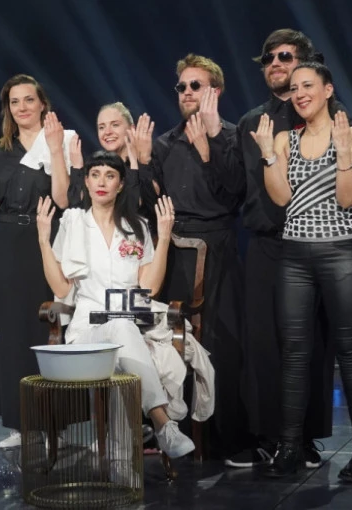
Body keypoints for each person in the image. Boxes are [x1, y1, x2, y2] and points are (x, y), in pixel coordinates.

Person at [234, 28, 352, 469]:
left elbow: (347, 196)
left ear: (327, 91)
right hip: (294, 256)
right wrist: (268, 156)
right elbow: (281, 197)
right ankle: (289, 446)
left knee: (350, 352)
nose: (300, 93)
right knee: (294, 353)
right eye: (296, 88)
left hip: (342, 254)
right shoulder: (284, 140)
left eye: (308, 86)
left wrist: (342, 154)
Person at [36, 150, 195, 459]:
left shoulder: (136, 227)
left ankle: (125, 449)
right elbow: (61, 288)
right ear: (86, 181)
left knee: (122, 333)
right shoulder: (73, 223)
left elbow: (149, 288)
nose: (101, 182)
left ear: (121, 184)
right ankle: (163, 423)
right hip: (87, 331)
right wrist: (43, 240)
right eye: (95, 175)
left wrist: (163, 238)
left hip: (128, 328)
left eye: (110, 176)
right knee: (121, 330)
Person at [138, 54, 248, 459]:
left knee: (222, 343)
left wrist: (208, 150)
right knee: (170, 342)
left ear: (215, 91)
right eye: (181, 86)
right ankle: (174, 432)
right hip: (173, 251)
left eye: (195, 85)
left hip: (217, 250)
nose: (186, 92)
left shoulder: (233, 137)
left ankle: (227, 439)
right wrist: (143, 162)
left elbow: (235, 194)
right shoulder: (165, 143)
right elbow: (149, 204)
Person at [0, 74, 71, 448]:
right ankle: (20, 423)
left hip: (47, 240)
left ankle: (55, 422)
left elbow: (63, 199)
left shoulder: (62, 141)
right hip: (10, 244)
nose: (22, 107)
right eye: (15, 102)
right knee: (13, 333)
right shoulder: (0, 153)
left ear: (42, 103)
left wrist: (55, 151)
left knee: (49, 329)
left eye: (29, 99)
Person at [67, 103, 159, 230]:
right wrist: (77, 169)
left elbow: (152, 207)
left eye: (115, 125)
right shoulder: (95, 167)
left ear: (131, 128)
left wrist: (142, 161)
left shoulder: (148, 162)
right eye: (101, 127)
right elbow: (77, 211)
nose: (107, 132)